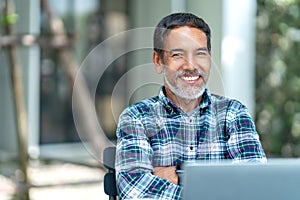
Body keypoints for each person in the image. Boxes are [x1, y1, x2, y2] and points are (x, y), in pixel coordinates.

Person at [115, 12, 266, 199]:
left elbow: (254, 185)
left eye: (200, 53)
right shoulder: (136, 118)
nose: (191, 65)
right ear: (158, 61)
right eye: (178, 54)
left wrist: (180, 173)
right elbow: (135, 190)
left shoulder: (234, 114)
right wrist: (219, 187)